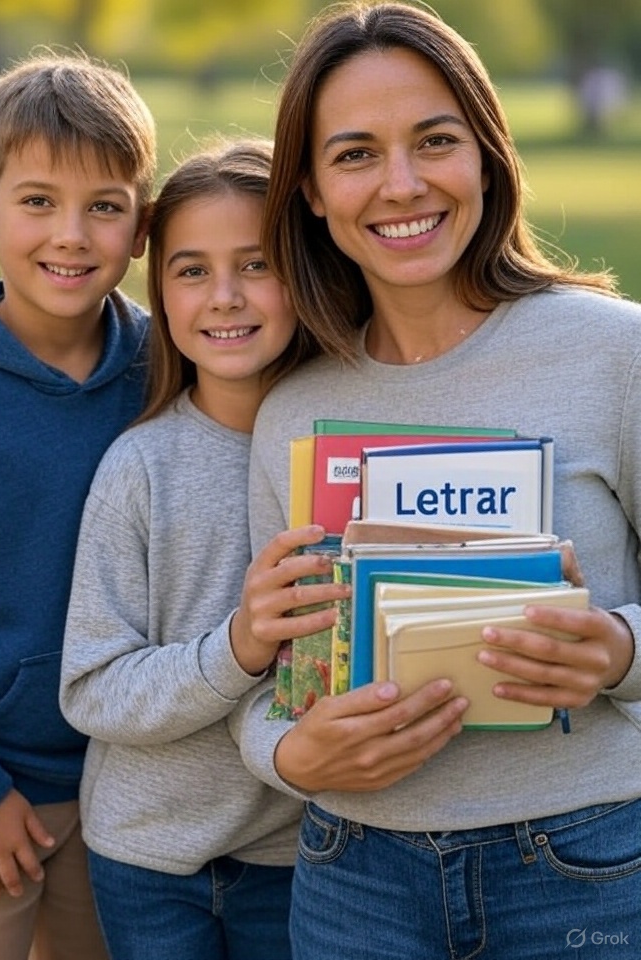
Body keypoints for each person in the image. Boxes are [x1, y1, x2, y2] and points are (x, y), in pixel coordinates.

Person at [228, 3, 641, 958]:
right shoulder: (292, 412)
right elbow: (266, 678)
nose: (402, 184)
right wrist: (289, 753)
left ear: (488, 157)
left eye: (435, 140)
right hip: (351, 878)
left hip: (588, 866)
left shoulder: (615, 355)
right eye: (355, 154)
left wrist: (618, 649)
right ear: (311, 193)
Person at [59, 137, 343, 960]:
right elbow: (92, 689)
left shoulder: (346, 451)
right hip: (147, 860)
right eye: (190, 270)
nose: (224, 296)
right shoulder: (140, 467)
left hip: (298, 853)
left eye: (256, 265)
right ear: (160, 290)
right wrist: (238, 649)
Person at [0, 49, 157, 960]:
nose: (71, 234)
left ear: (141, 227)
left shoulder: (168, 376)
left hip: (130, 787)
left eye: (104, 206)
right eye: (37, 202)